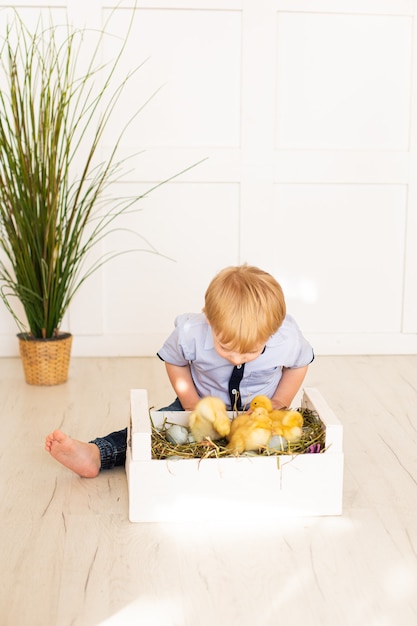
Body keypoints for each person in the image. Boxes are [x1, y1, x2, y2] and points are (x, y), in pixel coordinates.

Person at [45, 264, 314, 477]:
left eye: (250, 352)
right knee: (155, 429)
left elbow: (299, 364)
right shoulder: (191, 333)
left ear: (273, 331)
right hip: (200, 407)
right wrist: (190, 402)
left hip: (259, 413)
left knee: (287, 437)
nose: (235, 358)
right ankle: (96, 454)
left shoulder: (286, 339)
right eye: (225, 347)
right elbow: (174, 360)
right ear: (208, 319)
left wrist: (279, 402)